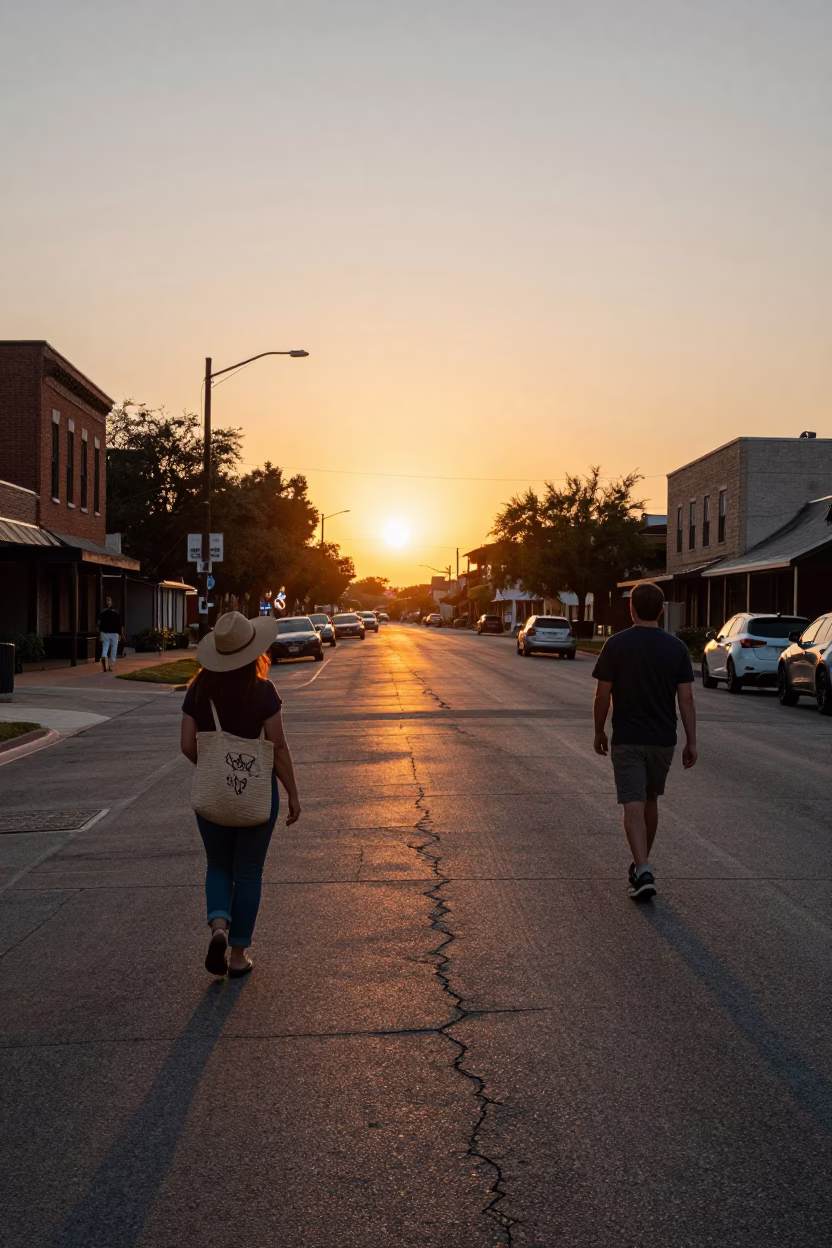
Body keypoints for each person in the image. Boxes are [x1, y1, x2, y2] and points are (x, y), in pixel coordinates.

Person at [180, 611, 302, 977]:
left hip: (212, 794)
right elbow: (277, 747)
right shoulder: (263, 691)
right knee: (248, 871)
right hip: (257, 793)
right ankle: (237, 957)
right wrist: (293, 794)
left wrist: (216, 769)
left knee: (218, 864)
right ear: (253, 652)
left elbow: (187, 745)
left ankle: (219, 925)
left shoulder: (197, 691)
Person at [592, 580, 697, 900]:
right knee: (649, 800)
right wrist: (692, 741)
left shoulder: (616, 644)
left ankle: (643, 867)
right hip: (663, 739)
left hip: (628, 738)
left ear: (631, 608)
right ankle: (642, 866)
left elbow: (602, 694)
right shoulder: (676, 648)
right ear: (662, 610)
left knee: (632, 804)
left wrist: (599, 730)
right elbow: (686, 700)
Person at [98, 596, 124, 672]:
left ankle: (103, 657)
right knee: (114, 649)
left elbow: (99, 623)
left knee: (105, 647)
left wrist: (100, 631)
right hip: (114, 633)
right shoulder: (116, 613)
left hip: (105, 632)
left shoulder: (102, 612)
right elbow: (119, 624)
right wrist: (120, 634)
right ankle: (111, 665)